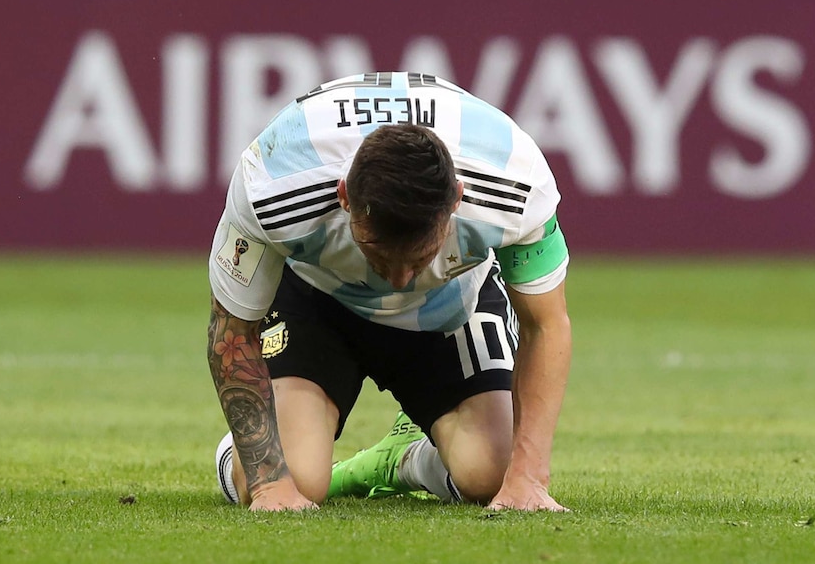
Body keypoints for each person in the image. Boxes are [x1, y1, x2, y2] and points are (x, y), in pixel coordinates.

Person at [208, 72, 572, 512]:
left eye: (419, 257)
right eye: (379, 255)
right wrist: (268, 483)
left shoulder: (515, 181)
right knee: (294, 480)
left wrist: (528, 478)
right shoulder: (273, 180)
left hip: (452, 304)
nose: (399, 280)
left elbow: (545, 326)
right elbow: (231, 330)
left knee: (492, 473)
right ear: (343, 195)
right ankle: (260, 442)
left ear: (457, 199)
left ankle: (404, 458)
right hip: (318, 300)